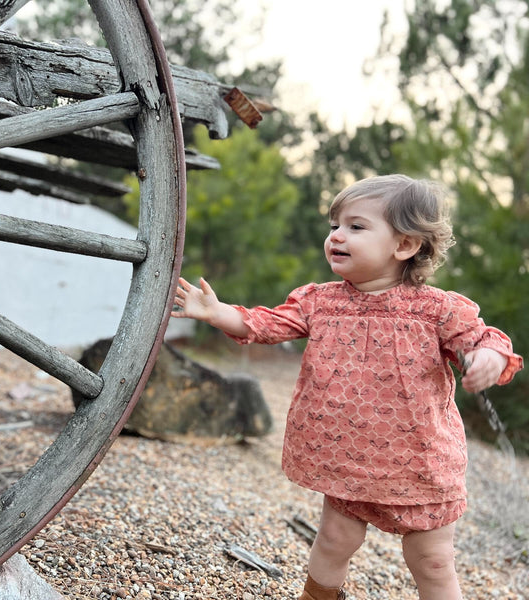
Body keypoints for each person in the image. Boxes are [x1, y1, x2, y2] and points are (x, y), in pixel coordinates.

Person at [170, 174, 523, 600]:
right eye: (334, 225)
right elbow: (268, 324)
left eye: (356, 226)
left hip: (420, 464)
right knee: (335, 540)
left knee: (430, 559)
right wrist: (218, 312)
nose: (337, 235)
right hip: (348, 461)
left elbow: (484, 337)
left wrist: (489, 358)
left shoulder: (437, 309)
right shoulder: (320, 301)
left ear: (405, 245)